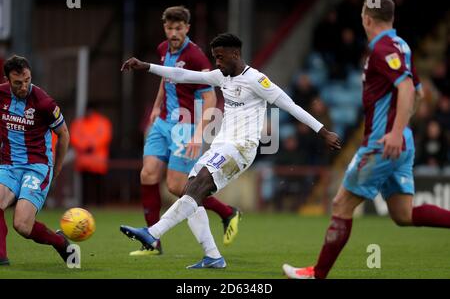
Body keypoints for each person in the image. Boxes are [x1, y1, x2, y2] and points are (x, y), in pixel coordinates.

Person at [119, 33, 341, 268]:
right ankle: (213, 256)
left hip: (241, 148)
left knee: (197, 185)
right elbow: (183, 75)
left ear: (235, 54)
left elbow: (291, 106)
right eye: (215, 57)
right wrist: (147, 67)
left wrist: (323, 131)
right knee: (191, 189)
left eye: (220, 57)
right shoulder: (221, 76)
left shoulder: (257, 80)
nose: (217, 63)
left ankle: (152, 233)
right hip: (222, 146)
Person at [282, 0, 450, 279]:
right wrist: (402, 129)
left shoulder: (384, 48)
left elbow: (408, 89)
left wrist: (394, 132)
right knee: (403, 214)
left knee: (341, 204)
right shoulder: (402, 46)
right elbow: (420, 92)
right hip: (400, 141)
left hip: (382, 143)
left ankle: (316, 274)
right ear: (392, 18)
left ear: (366, 18)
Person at [132, 6, 241, 256]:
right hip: (162, 123)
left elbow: (210, 100)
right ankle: (152, 242)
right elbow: (165, 77)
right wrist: (157, 106)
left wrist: (197, 134)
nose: (173, 33)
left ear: (187, 29)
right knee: (148, 174)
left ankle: (227, 212)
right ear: (165, 28)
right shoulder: (162, 49)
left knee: (177, 186)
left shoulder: (197, 58)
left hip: (186, 124)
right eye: (169, 28)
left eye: (178, 28)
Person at [0, 55, 71, 266]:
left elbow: (64, 133)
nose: (24, 86)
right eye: (18, 83)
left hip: (37, 167)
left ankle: (59, 242)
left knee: (22, 225)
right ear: (7, 80)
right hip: (8, 165)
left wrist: (56, 168)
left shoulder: (44, 102)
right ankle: (1, 258)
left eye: (28, 80)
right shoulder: (1, 94)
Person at [70, 104, 113, 205]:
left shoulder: (102, 122)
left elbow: (105, 136)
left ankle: (100, 204)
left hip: (98, 162)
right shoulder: (78, 123)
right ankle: (85, 204)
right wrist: (86, 146)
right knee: (84, 186)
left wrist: (91, 145)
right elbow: (74, 137)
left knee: (99, 185)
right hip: (84, 162)